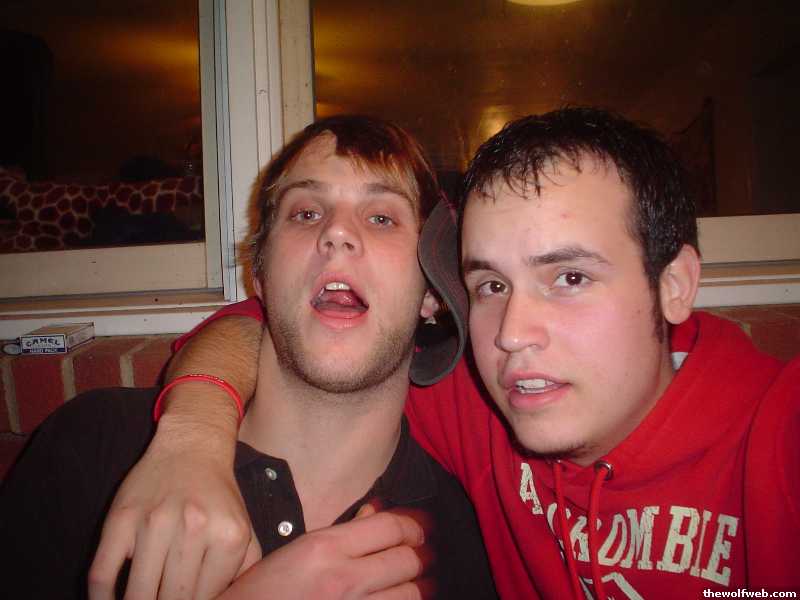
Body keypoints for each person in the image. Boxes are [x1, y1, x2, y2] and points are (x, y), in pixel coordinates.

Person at [90, 108, 800, 599]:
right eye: (491, 284)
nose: (513, 332)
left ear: (673, 285)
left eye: (570, 278)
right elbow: (282, 326)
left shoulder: (776, 435)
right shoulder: (486, 402)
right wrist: (191, 437)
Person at [0, 115, 497, 600]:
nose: (337, 233)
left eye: (381, 218)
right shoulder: (92, 448)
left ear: (431, 292)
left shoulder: (456, 542)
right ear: (259, 276)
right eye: (306, 213)